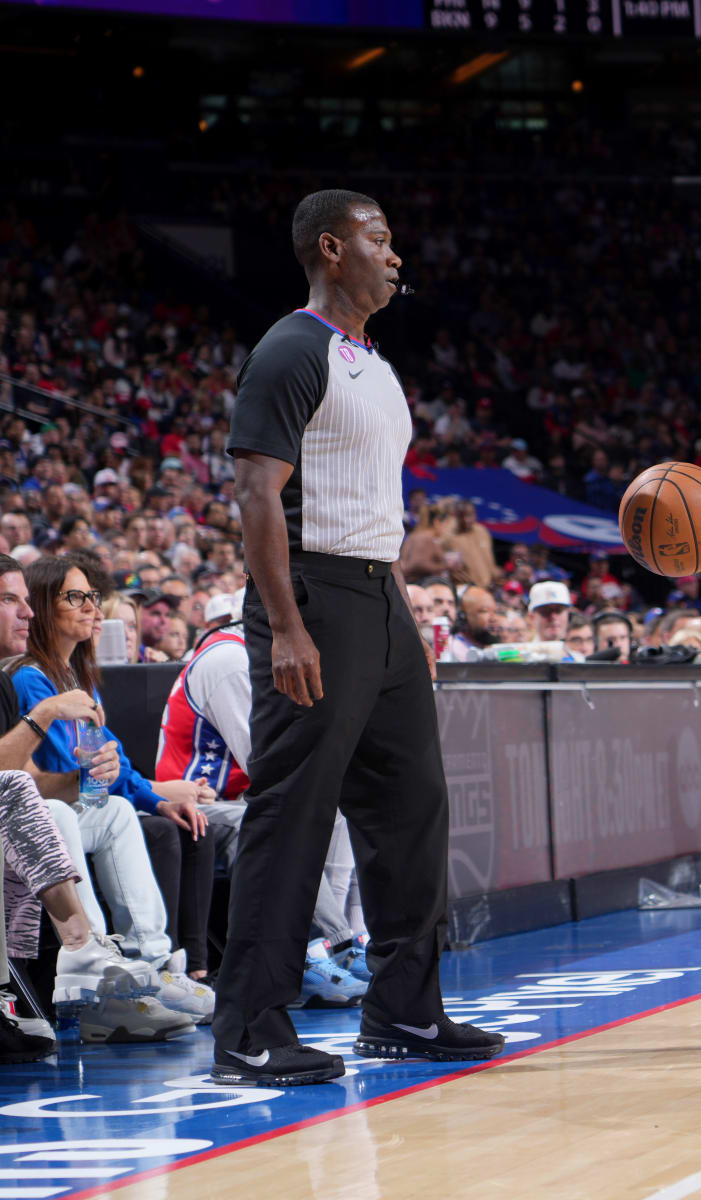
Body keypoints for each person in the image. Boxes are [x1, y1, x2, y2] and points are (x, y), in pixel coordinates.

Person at [211, 189, 503, 1086]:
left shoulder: (369, 360)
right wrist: (289, 627)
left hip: (379, 597)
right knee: (293, 813)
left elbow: (373, 507)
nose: (395, 254)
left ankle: (405, 1013)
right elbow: (259, 494)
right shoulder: (292, 348)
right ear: (333, 249)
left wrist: (402, 616)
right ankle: (250, 1028)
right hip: (315, 597)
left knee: (412, 810)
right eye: (380, 240)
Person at [11, 556, 215, 1027]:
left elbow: (114, 765)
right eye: (75, 597)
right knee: (103, 808)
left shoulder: (79, 678)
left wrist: (158, 798)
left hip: (80, 806)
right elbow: (61, 772)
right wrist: (101, 771)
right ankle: (96, 955)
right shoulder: (29, 678)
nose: (90, 609)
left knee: (123, 810)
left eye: (92, 597)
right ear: (43, 606)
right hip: (44, 817)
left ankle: (151, 961)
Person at [154, 588, 371, 1007]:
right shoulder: (228, 662)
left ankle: (332, 948)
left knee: (334, 802)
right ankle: (335, 944)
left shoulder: (254, 657)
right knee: (278, 816)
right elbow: (265, 763)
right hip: (194, 802)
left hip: (235, 799)